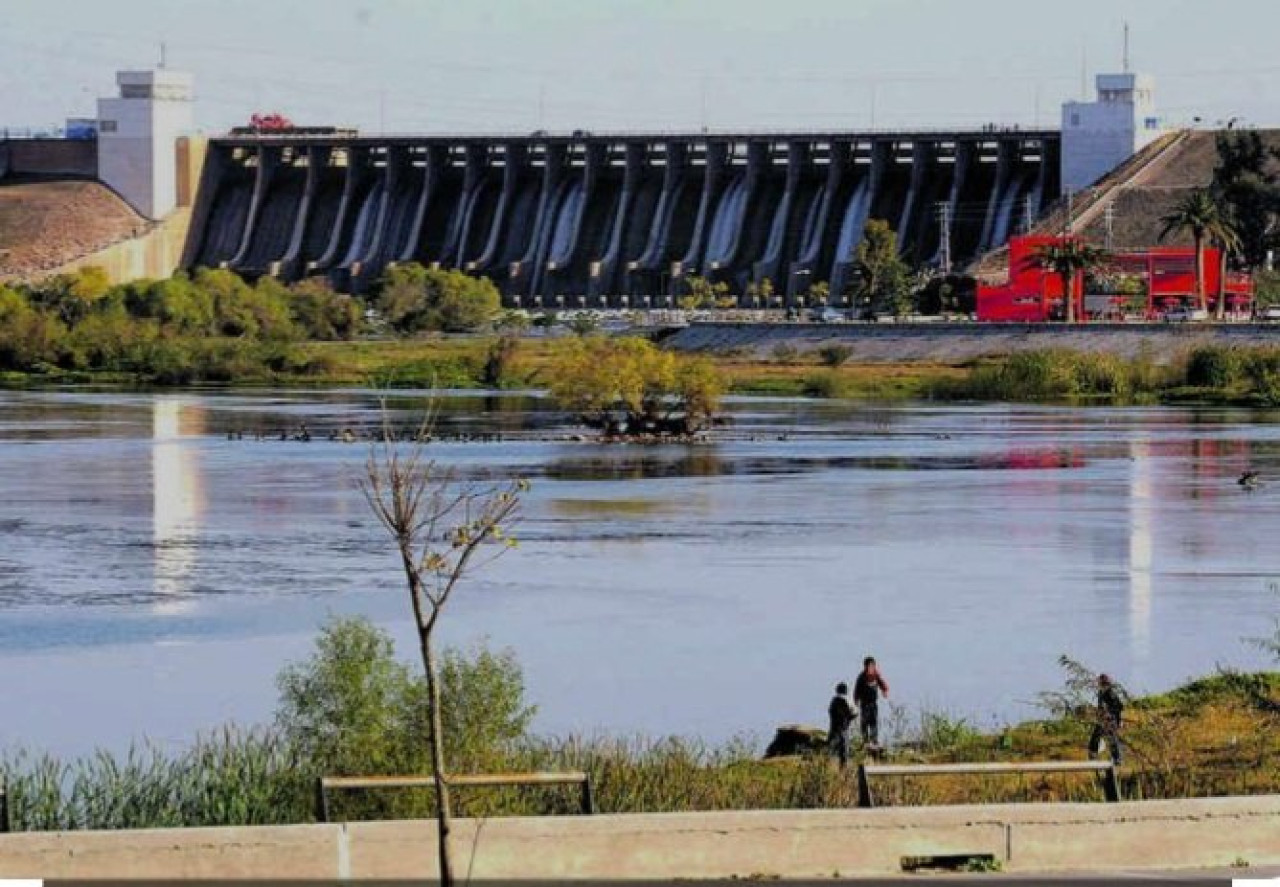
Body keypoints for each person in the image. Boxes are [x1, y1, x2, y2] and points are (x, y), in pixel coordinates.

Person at [853, 657, 889, 751]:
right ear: (865, 667)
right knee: (864, 723)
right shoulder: (861, 677)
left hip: (873, 703)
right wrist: (856, 702)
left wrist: (884, 690)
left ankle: (874, 741)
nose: (871, 668)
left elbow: (882, 683)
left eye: (873, 666)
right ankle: (865, 741)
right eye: (869, 666)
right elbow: (856, 690)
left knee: (874, 722)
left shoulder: (876, 675)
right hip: (865, 704)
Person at [1088, 674, 1125, 765]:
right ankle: (1093, 754)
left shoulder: (1110, 693)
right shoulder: (1101, 693)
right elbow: (1100, 706)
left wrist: (1117, 719)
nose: (1098, 684)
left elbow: (1119, 707)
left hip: (1111, 719)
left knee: (1112, 738)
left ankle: (1118, 759)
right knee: (1095, 736)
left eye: (1100, 682)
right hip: (1102, 719)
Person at [827, 682, 856, 768]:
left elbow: (830, 712)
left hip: (834, 728)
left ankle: (827, 766)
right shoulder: (848, 700)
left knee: (830, 749)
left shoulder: (834, 700)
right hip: (844, 728)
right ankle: (843, 770)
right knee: (844, 752)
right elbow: (855, 712)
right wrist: (848, 719)